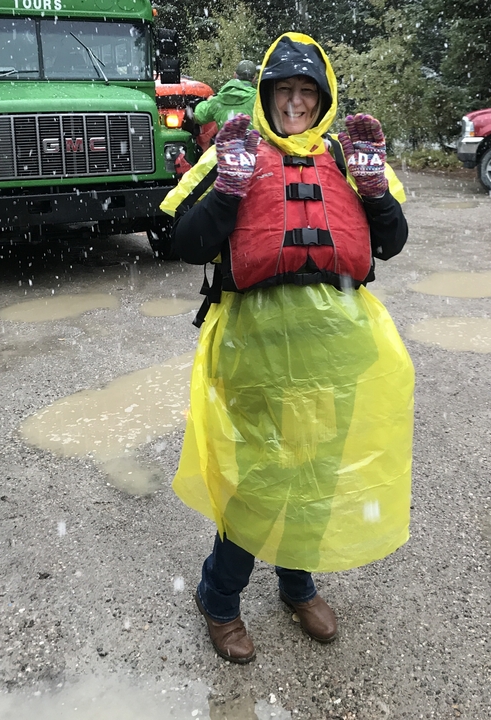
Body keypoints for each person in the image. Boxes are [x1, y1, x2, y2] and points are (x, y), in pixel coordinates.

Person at [160, 33, 414, 664]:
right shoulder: (236, 152)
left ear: (322, 101)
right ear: (268, 95)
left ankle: (297, 584)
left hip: (335, 349)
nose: (296, 103)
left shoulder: (346, 157)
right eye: (285, 91)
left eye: (307, 92)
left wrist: (376, 190)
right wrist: (227, 189)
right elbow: (186, 243)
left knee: (318, 474)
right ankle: (218, 597)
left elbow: (392, 242)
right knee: (259, 481)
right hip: (256, 347)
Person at [192, 59, 259, 131]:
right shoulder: (258, 99)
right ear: (254, 78)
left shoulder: (218, 100)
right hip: (252, 141)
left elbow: (199, 116)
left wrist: (209, 101)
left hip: (226, 142)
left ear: (234, 75)